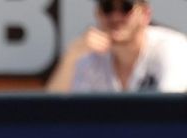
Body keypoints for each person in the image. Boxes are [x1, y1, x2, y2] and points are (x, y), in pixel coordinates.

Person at [46, 0, 187, 92]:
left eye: (126, 7)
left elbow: (167, 115)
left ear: (145, 15)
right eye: (107, 8)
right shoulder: (89, 58)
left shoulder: (174, 48)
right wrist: (72, 55)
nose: (115, 17)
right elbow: (52, 114)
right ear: (98, 14)